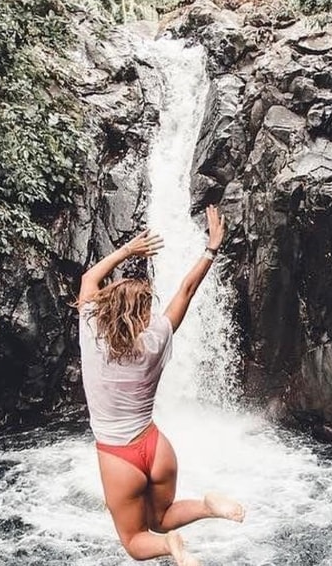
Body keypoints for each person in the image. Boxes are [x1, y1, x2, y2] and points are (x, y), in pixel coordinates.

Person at [77, 205, 244, 566]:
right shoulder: (154, 339)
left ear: (107, 307)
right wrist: (211, 248)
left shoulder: (91, 329)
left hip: (118, 456)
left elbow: (88, 280)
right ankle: (207, 506)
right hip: (156, 448)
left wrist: (126, 250)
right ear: (141, 316)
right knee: (162, 516)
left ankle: (171, 547)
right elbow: (186, 290)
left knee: (136, 541)